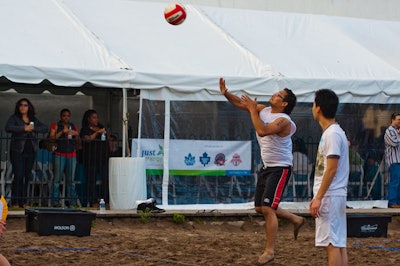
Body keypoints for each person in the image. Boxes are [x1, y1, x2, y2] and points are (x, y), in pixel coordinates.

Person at [219, 78, 305, 265]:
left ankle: (270, 251)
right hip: (267, 166)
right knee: (259, 207)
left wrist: (252, 109)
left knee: (267, 208)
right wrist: (226, 93)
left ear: (284, 104)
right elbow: (240, 103)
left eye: (278, 95)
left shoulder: (284, 120)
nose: (274, 95)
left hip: (281, 167)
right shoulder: (265, 110)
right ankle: (296, 219)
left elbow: (262, 130)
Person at [309, 89, 349, 266]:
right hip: (335, 195)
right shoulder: (334, 132)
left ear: (318, 108)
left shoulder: (332, 134)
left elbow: (331, 169)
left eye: (313, 104)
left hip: (330, 195)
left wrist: (318, 198)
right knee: (339, 244)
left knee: (332, 244)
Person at [5, 98, 48, 208]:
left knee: (26, 176)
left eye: (25, 105)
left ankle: (24, 201)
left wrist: (32, 129)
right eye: (21, 105)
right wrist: (24, 128)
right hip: (17, 151)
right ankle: (15, 201)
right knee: (18, 175)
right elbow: (8, 128)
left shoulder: (33, 119)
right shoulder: (14, 118)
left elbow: (44, 128)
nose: (23, 107)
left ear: (29, 107)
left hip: (31, 150)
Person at [49, 109, 80, 207]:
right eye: (64, 116)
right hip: (59, 154)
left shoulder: (73, 126)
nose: (66, 118)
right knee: (57, 179)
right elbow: (52, 138)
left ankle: (72, 202)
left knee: (71, 180)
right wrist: (63, 131)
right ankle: (55, 202)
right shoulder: (55, 125)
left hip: (71, 154)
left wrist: (76, 134)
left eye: (68, 116)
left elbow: (78, 141)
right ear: (61, 116)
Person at [80, 109, 109, 207]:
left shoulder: (101, 127)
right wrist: (97, 133)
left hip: (102, 158)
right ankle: (92, 200)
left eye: (97, 117)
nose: (96, 119)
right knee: (91, 180)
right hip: (91, 158)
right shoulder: (85, 129)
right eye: (94, 117)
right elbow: (87, 139)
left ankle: (105, 199)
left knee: (105, 180)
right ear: (89, 119)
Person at [384, 112, 400, 208]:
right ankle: (392, 202)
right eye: (398, 120)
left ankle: (397, 202)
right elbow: (394, 142)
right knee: (395, 181)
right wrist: (399, 135)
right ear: (393, 120)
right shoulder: (389, 131)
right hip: (394, 161)